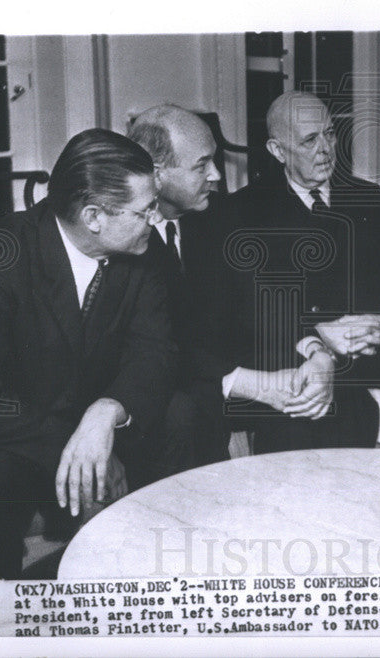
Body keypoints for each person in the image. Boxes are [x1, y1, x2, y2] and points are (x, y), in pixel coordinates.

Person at [0, 129, 177, 580]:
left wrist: (108, 412)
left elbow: (155, 351)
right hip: (22, 438)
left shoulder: (144, 249)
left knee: (182, 413)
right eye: (145, 211)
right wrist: (78, 445)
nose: (156, 220)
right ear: (94, 216)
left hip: (105, 421)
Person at [216, 91, 380, 456]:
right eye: (309, 140)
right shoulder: (245, 212)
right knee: (333, 411)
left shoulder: (365, 196)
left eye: (329, 134)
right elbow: (253, 312)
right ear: (277, 150)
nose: (325, 149)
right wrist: (318, 336)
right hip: (298, 354)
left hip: (369, 351)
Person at [128, 104, 318, 477]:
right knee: (188, 410)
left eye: (214, 160)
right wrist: (249, 383)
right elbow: (157, 346)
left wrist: (315, 352)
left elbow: (269, 298)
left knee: (326, 398)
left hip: (228, 365)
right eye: (201, 165)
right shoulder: (128, 234)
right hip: (177, 381)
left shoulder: (220, 214)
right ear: (157, 174)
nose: (216, 175)